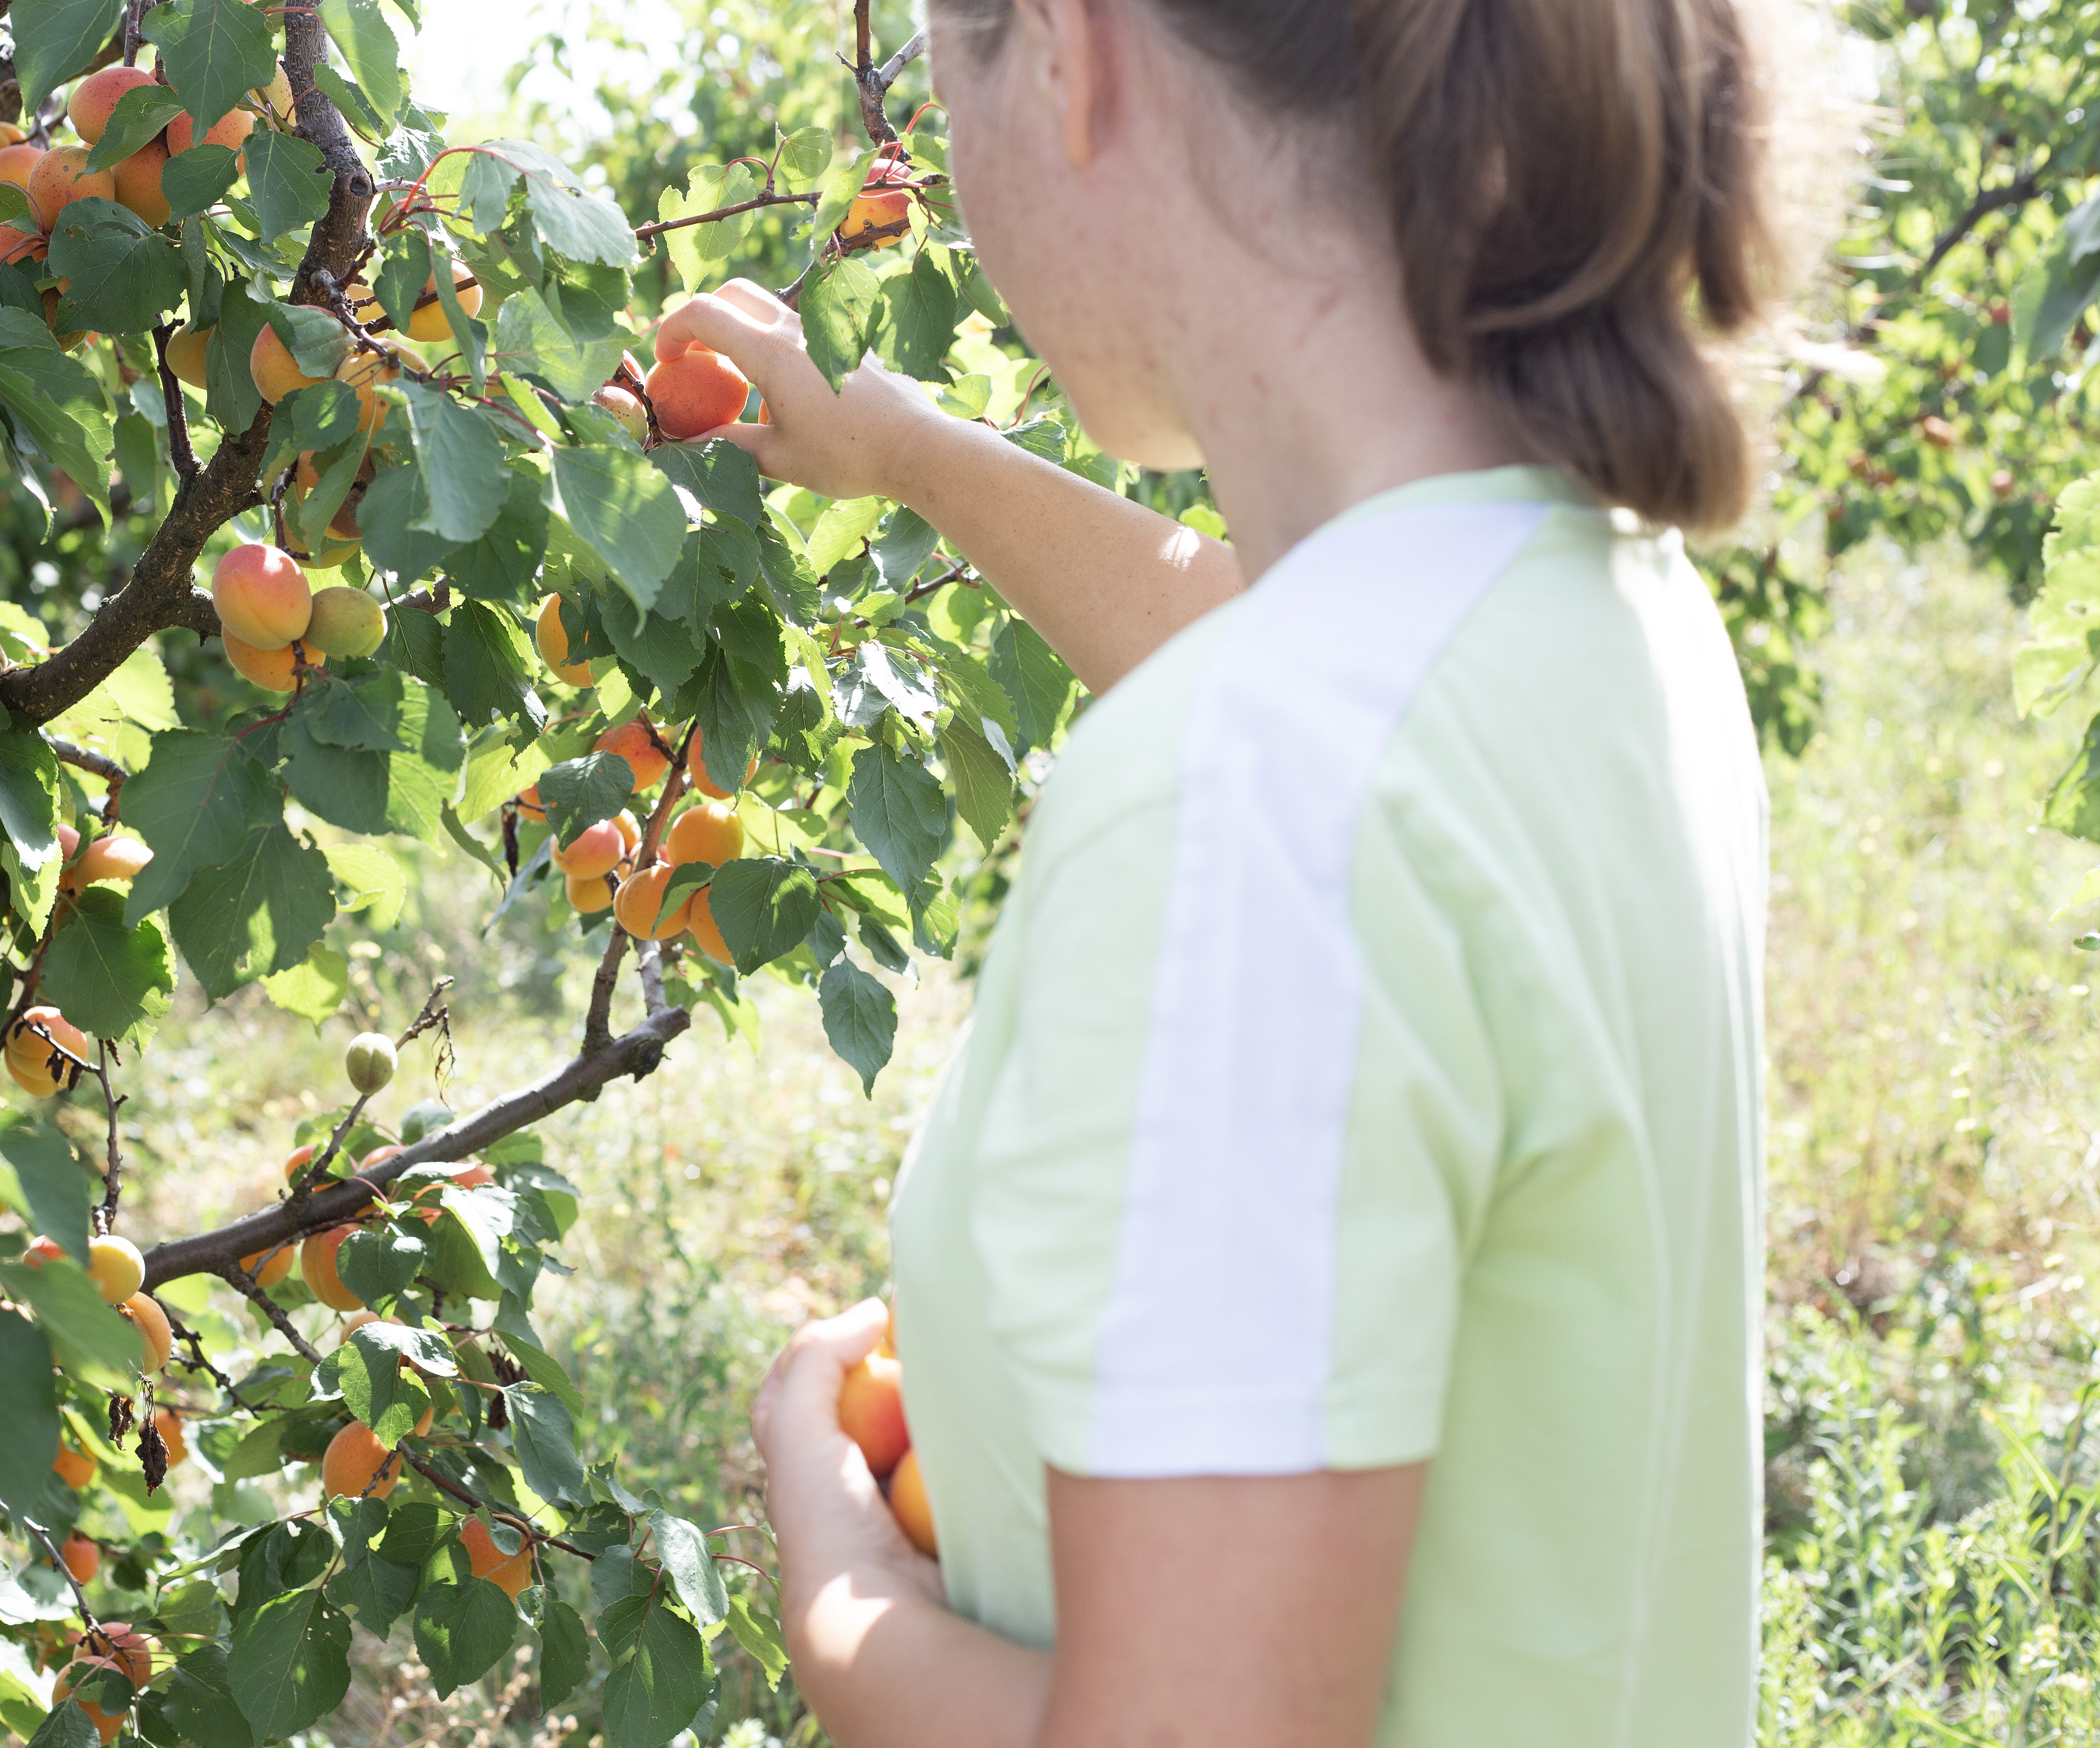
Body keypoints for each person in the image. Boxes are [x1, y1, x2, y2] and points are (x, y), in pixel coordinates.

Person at [659, 0, 1787, 1741]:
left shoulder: (1246, 803)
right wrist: (908, 451)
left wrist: (835, 1581)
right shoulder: (1600, 598)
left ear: (1068, 51)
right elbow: (1306, 658)